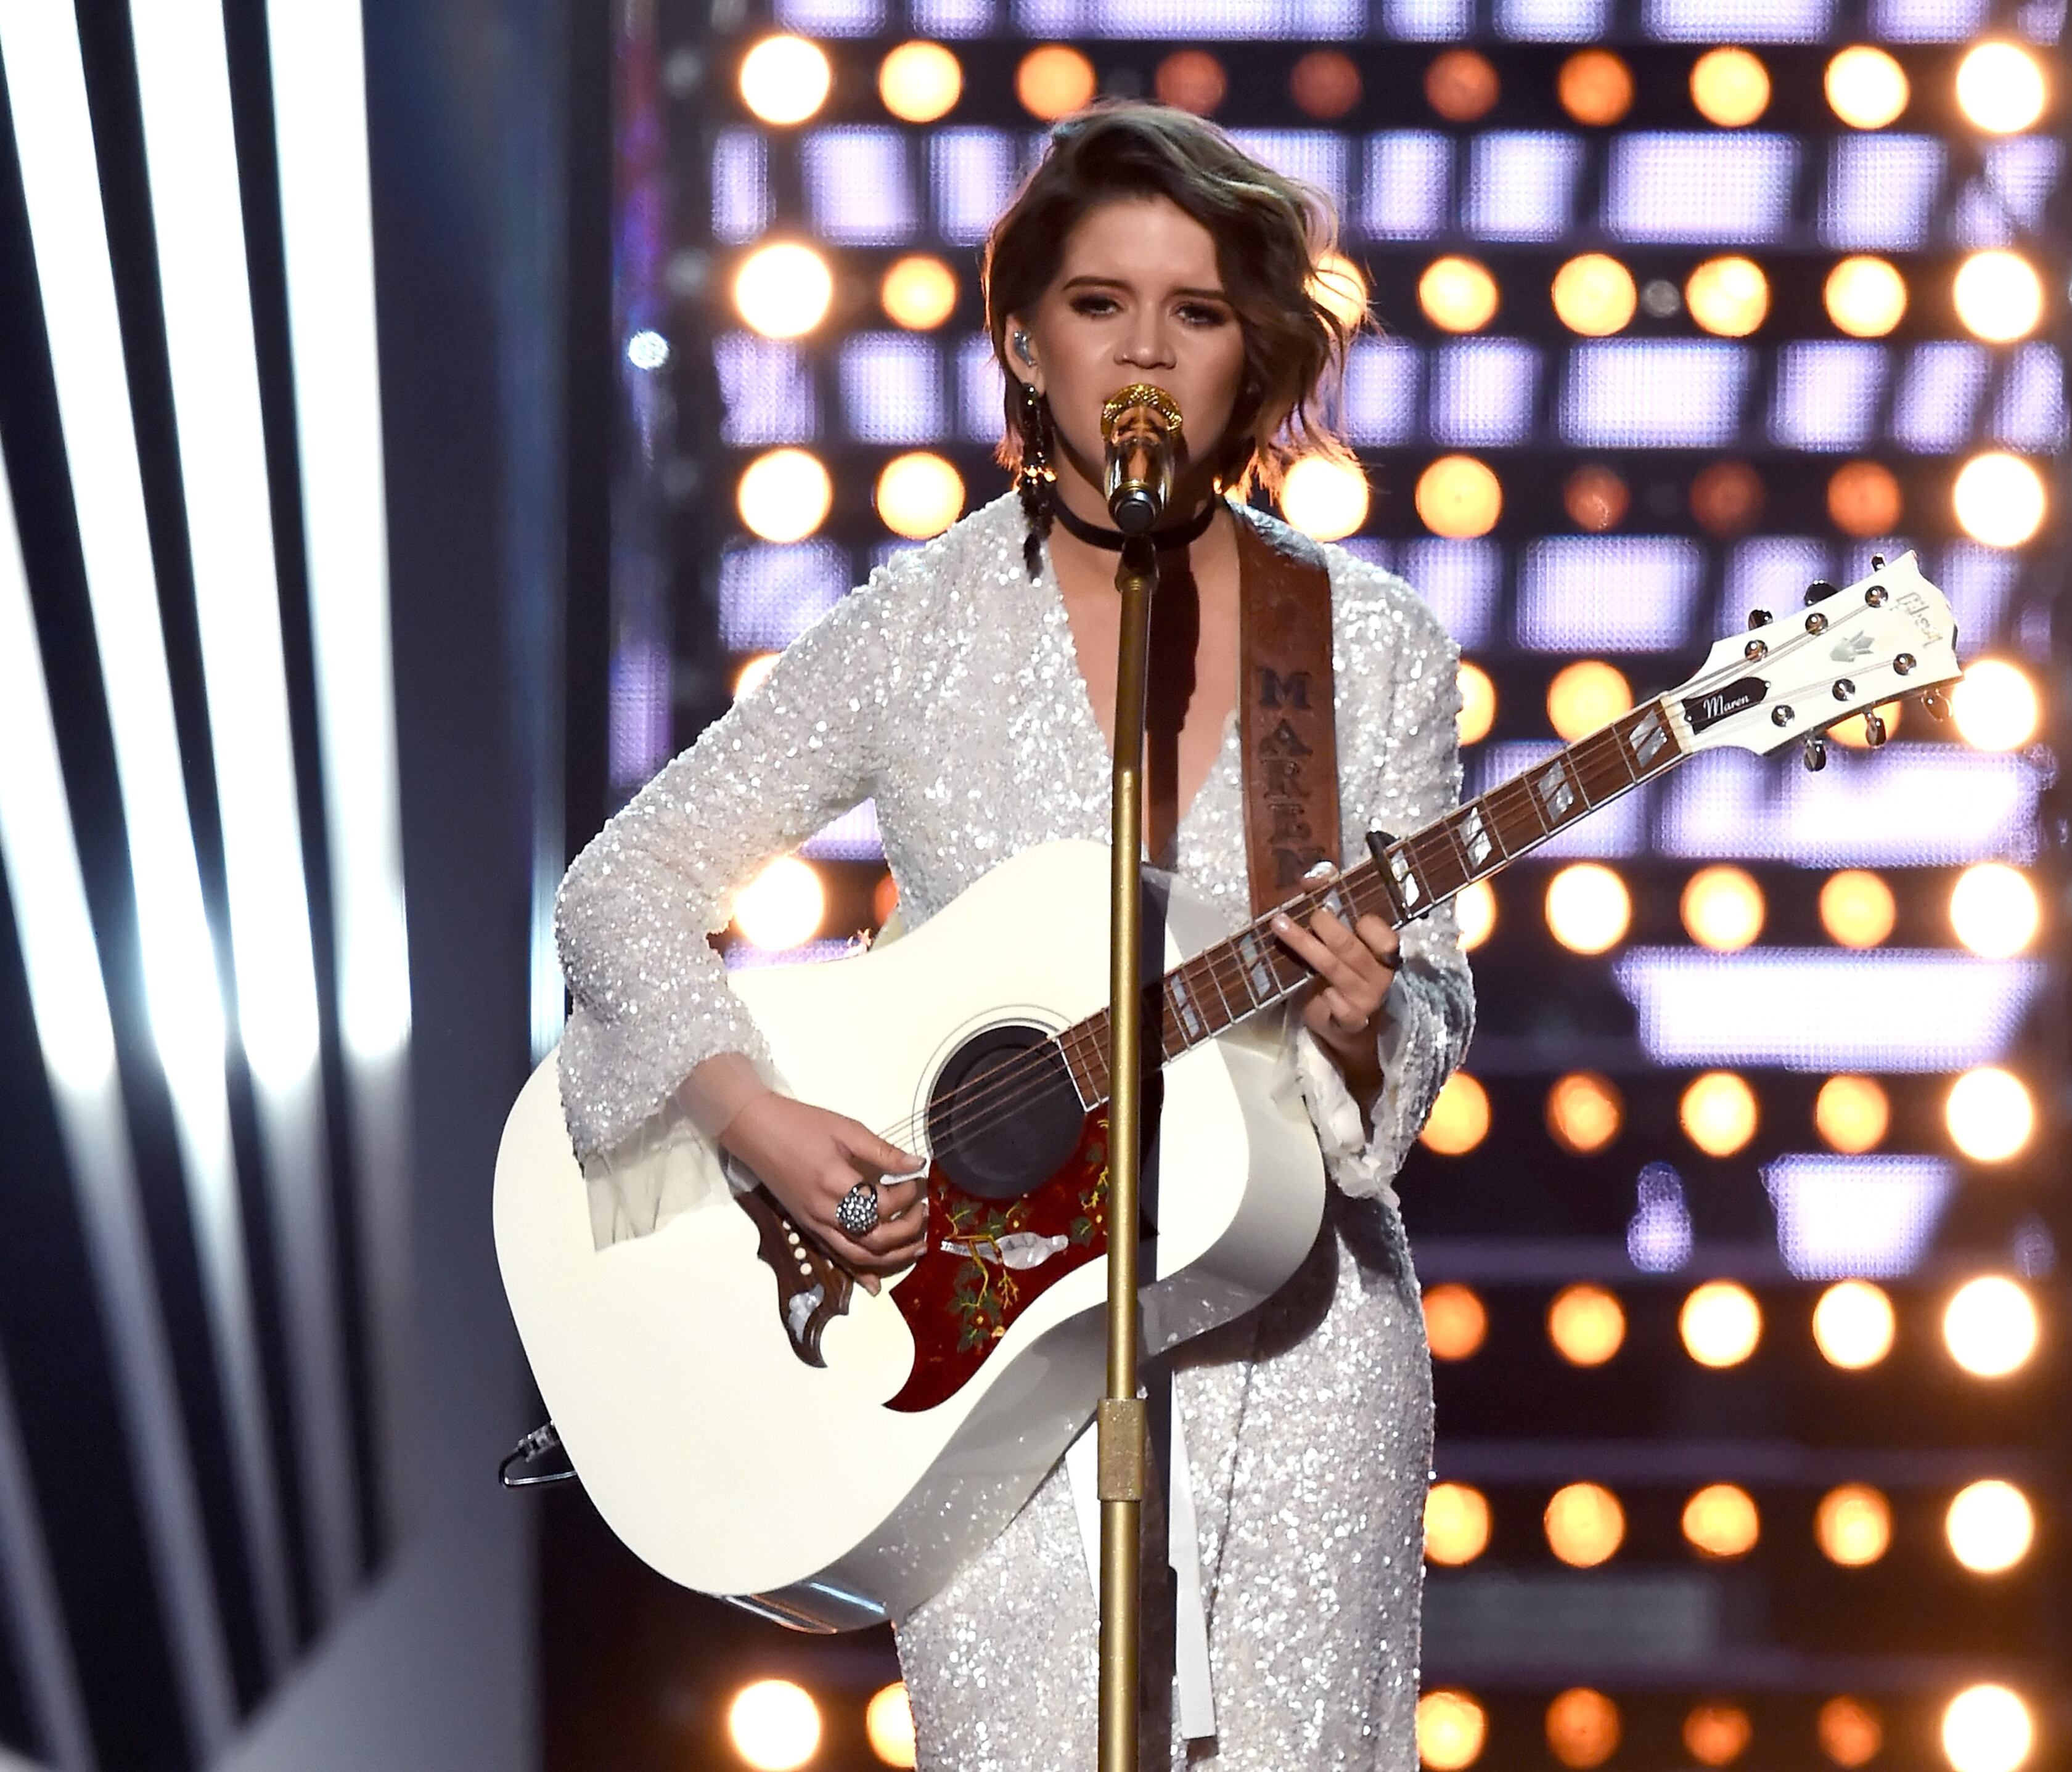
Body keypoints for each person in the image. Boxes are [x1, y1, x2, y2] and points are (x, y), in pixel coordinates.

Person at [552, 102, 1475, 1769]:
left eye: (1196, 312)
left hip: (1298, 1360)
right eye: (1100, 302)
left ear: (1252, 356)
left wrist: (1355, 1020)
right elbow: (622, 888)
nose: (1145, 350)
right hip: (987, 1381)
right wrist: (766, 1127)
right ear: (1021, 337)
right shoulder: (918, 625)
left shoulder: (1361, 642)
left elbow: (1430, 1018)